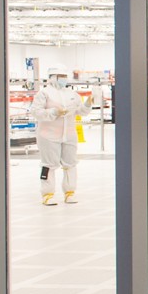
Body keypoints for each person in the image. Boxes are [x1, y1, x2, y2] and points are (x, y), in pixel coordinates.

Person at [31, 69, 83, 206]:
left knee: (70, 163)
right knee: (49, 164)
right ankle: (47, 194)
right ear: (53, 77)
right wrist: (54, 112)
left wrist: (89, 103)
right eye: (61, 76)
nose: (63, 79)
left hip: (69, 134)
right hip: (48, 135)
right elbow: (35, 112)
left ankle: (70, 192)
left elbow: (81, 111)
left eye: (65, 76)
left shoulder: (72, 94)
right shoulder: (44, 93)